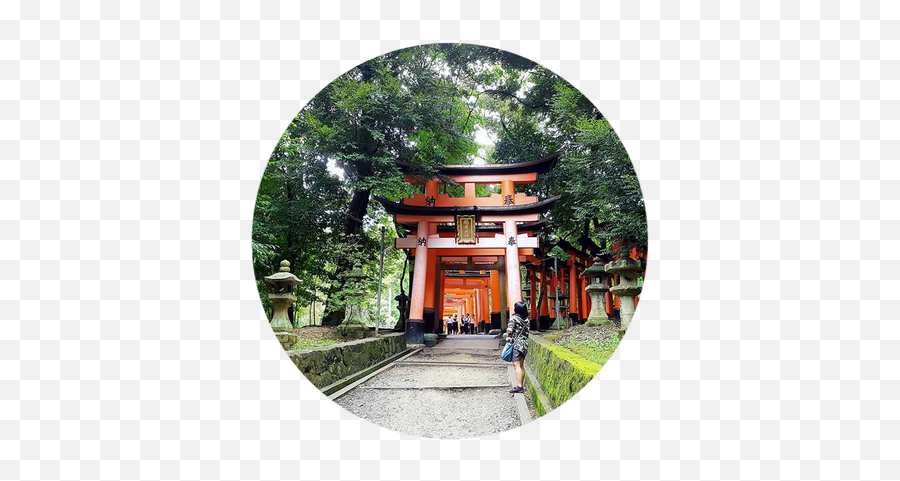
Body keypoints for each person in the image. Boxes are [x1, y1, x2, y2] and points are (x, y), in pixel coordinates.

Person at [506, 301, 530, 393]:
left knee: (516, 366)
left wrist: (508, 330)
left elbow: (510, 330)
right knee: (521, 366)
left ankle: (519, 386)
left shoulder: (514, 318)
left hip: (517, 344)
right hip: (524, 344)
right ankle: (521, 385)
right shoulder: (527, 320)